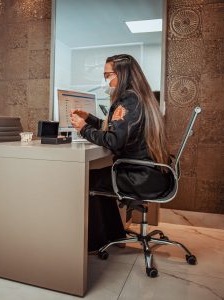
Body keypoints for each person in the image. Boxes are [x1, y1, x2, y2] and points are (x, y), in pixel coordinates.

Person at [70, 54, 172, 252]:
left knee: (89, 179)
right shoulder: (138, 97)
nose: (105, 80)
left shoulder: (128, 100)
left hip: (140, 176)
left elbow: (113, 140)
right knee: (99, 175)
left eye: (107, 75)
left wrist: (83, 128)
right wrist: (89, 119)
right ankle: (114, 234)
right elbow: (118, 130)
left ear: (122, 74)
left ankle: (97, 242)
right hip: (151, 173)